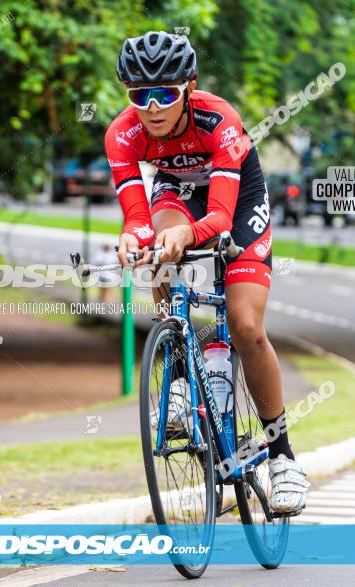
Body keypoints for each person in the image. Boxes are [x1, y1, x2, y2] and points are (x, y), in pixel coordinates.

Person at [105, 31, 309, 514]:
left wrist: (187, 237)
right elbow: (136, 217)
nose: (152, 107)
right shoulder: (122, 134)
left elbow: (218, 219)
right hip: (177, 192)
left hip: (235, 200)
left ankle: (283, 459)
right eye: (139, 95)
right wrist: (134, 237)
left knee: (245, 325)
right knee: (156, 246)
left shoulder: (222, 121)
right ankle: (177, 376)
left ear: (189, 87)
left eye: (165, 94)